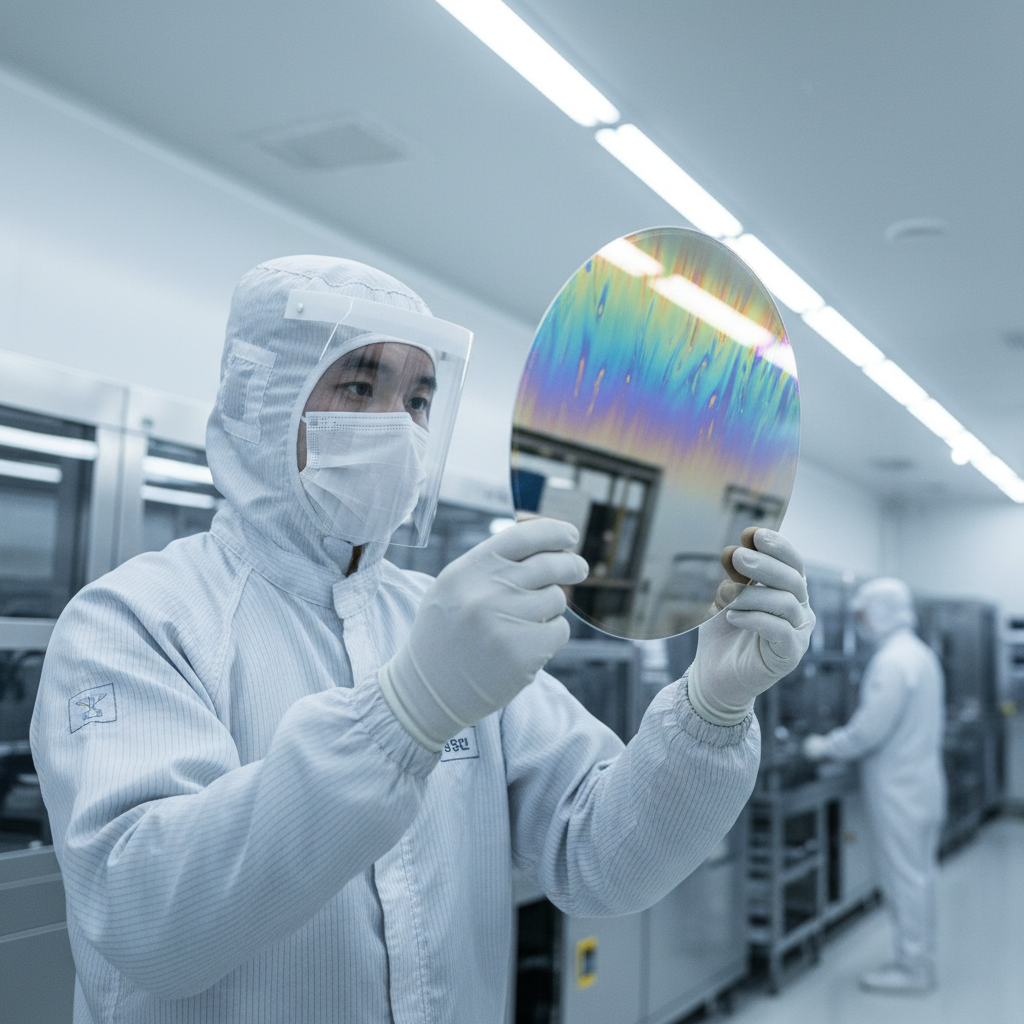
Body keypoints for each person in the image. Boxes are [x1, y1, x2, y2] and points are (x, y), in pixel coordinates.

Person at [31, 256, 815, 1023]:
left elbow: (600, 858)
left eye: (418, 400)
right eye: (359, 384)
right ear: (266, 401)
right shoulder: (136, 620)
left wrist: (711, 707)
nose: (397, 428)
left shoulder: (441, 619)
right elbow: (149, 918)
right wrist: (403, 714)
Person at [803, 577, 946, 995]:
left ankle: (912, 968)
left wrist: (823, 747)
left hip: (899, 789)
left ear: (882, 612)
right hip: (921, 782)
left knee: (905, 878)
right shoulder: (919, 655)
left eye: (865, 615)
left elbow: (869, 731)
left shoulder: (892, 662)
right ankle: (918, 959)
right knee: (919, 875)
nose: (862, 624)